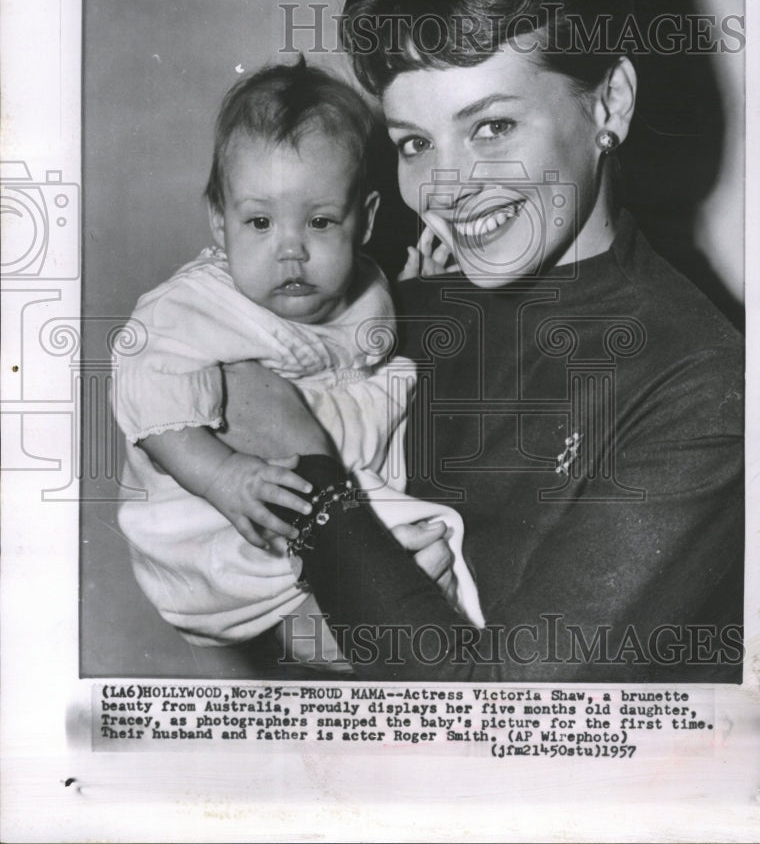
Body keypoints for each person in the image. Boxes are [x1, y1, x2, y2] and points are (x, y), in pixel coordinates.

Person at [222, 0, 745, 682]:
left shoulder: (701, 385)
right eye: (413, 142)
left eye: (492, 127)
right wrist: (324, 624)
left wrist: (305, 469)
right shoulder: (400, 305)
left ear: (609, 104)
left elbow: (500, 723)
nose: (445, 187)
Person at [113, 60, 483, 664]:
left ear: (363, 219)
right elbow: (151, 395)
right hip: (224, 518)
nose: (291, 249)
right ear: (218, 219)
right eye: (259, 222)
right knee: (412, 566)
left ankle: (388, 636)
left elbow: (379, 349)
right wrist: (222, 475)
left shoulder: (367, 287)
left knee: (432, 556)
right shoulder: (198, 305)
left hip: (336, 487)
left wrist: (417, 292)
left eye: (319, 221)